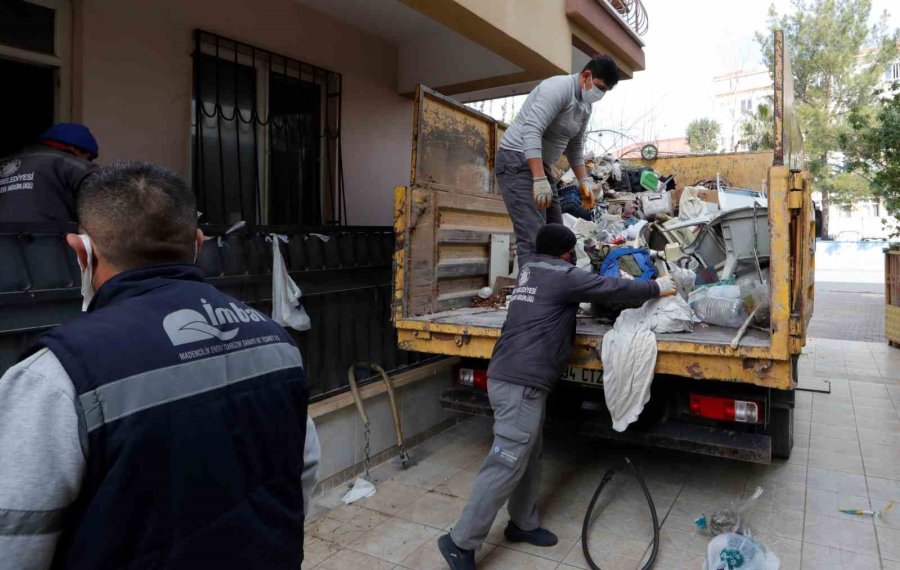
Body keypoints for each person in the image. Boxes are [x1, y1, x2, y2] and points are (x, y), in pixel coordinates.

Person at [0, 161, 319, 569]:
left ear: (82, 250)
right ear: (198, 243)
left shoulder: (55, 378)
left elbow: (16, 541)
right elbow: (303, 468)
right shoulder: (278, 342)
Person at [438, 224, 675, 570]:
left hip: (511, 376)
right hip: (520, 382)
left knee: (528, 455)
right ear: (566, 252)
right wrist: (657, 286)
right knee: (505, 462)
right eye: (571, 252)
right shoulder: (563, 276)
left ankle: (523, 522)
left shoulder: (530, 271)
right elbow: (612, 287)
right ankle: (459, 541)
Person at [496, 55, 619, 267]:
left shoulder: (585, 106)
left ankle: (554, 291)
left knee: (557, 237)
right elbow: (531, 131)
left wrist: (584, 182)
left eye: (605, 91)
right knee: (535, 238)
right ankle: (532, 296)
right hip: (516, 160)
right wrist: (538, 179)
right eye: (599, 87)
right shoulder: (557, 89)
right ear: (586, 75)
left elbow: (575, 147)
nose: (600, 94)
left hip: (540, 165)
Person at [0, 123, 99, 223]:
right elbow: (104, 198)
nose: (88, 161)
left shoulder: (4, 163)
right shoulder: (74, 165)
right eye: (89, 158)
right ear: (76, 149)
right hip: (49, 235)